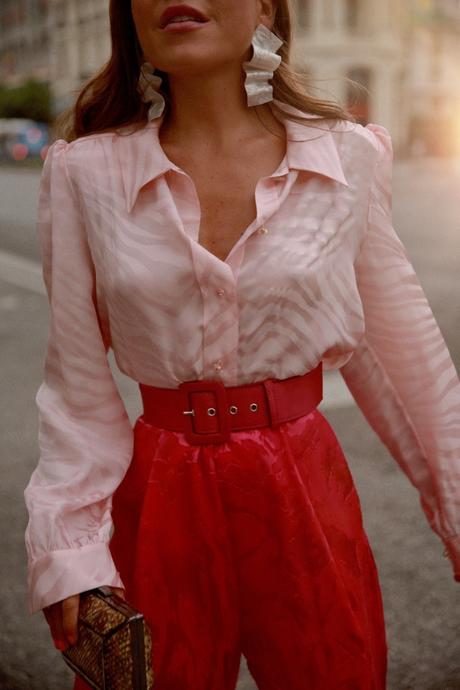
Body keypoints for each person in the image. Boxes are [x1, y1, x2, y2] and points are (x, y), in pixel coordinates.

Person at [23, 1, 460, 689]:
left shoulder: (346, 155)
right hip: (159, 494)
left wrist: (453, 500)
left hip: (305, 487)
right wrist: (69, 545)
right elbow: (78, 386)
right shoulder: (84, 174)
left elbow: (403, 351)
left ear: (266, 8)